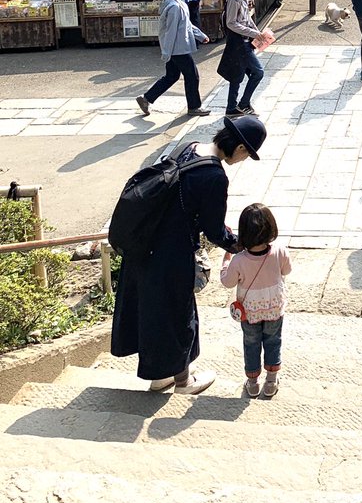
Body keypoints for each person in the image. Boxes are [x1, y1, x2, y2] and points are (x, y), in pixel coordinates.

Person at [111, 114, 267, 395]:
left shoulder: (191, 147)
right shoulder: (214, 176)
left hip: (145, 242)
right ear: (241, 148)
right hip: (171, 252)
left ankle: (161, 376)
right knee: (178, 313)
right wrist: (238, 245)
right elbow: (214, 230)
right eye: (247, 155)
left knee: (155, 311)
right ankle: (183, 382)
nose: (242, 160)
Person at [220, 202, 292, 398]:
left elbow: (227, 282)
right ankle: (270, 381)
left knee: (251, 344)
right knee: (273, 341)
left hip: (249, 312)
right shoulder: (279, 250)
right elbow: (287, 270)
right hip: (274, 308)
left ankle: (252, 383)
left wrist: (226, 261)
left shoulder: (239, 260)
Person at [136, 0, 210, 118]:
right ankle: (194, 106)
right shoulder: (174, 7)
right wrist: (166, 52)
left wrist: (200, 35)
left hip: (178, 47)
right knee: (192, 76)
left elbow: (187, 25)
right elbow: (170, 32)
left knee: (172, 76)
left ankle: (146, 99)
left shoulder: (178, 3)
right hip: (178, 49)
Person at [217, 0, 265, 119]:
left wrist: (258, 32)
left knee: (237, 75)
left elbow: (247, 17)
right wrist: (254, 33)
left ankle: (232, 107)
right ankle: (242, 104)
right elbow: (231, 23)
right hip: (239, 42)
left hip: (244, 41)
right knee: (257, 72)